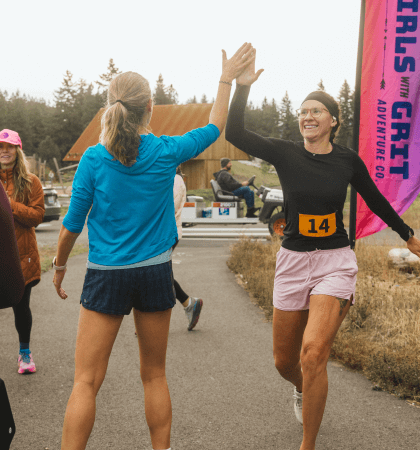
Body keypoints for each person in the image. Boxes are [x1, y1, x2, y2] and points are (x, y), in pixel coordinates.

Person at [52, 42, 255, 450]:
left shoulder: (93, 159)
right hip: (154, 273)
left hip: (106, 275)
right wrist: (225, 79)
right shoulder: (165, 151)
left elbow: (72, 225)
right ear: (150, 106)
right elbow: (216, 125)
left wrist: (58, 266)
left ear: (110, 106)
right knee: (155, 375)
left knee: (86, 381)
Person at [225, 56, 420, 450]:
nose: (308, 116)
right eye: (303, 111)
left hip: (334, 261)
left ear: (333, 120)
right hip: (292, 261)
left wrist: (405, 234)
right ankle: (303, 389)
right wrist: (243, 85)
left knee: (314, 351)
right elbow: (235, 131)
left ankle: (308, 445)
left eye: (316, 111)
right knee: (285, 363)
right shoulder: (285, 153)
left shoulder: (346, 160)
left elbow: (374, 198)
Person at [0, 129, 45, 374]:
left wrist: (9, 205)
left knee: (21, 306)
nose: (4, 151)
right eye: (0, 147)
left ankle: (24, 353)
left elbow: (37, 216)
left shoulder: (30, 182)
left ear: (18, 150)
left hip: (21, 257)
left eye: (8, 146)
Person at [173, 166, 203, 330]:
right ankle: (189, 303)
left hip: (166, 234)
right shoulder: (168, 177)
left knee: (155, 274)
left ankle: (150, 318)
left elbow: (169, 207)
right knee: (159, 274)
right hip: (160, 234)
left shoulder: (175, 180)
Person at [0, 181, 25, 310]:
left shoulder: (29, 181)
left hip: (24, 253)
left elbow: (37, 215)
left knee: (23, 309)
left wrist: (14, 205)